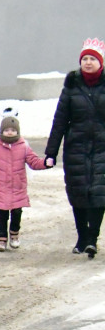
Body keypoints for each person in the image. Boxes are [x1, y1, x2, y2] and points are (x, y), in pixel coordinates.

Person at [44, 38, 105, 258]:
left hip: (102, 148)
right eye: (85, 58)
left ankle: (92, 239)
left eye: (92, 59)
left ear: (100, 62)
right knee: (78, 192)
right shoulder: (71, 85)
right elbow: (60, 120)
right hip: (76, 148)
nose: (88, 62)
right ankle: (82, 237)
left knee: (99, 193)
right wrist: (51, 152)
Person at [0, 115, 51, 251]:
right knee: (2, 213)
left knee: (16, 212)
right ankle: (1, 239)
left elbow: (34, 161)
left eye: (13, 130)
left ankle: (14, 234)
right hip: (1, 186)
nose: (10, 132)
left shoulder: (24, 147)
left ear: (18, 131)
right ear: (1, 131)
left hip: (18, 186)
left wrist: (45, 163)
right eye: (6, 130)